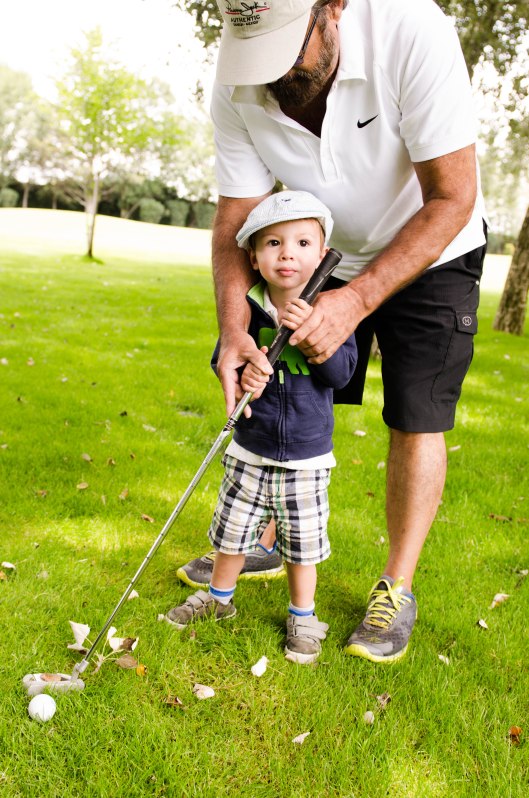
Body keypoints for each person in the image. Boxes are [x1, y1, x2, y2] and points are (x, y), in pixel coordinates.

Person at [178, 0, 488, 665]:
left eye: (288, 46)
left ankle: (395, 586)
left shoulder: (411, 30)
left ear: (334, 8)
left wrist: (357, 301)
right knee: (299, 392)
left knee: (416, 414)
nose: (275, 72)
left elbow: (452, 196)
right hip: (322, 252)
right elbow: (236, 214)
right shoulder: (237, 81)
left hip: (432, 243)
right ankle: (267, 541)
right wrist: (234, 328)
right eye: (258, 50)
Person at [166, 190, 358, 664]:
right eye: (273, 243)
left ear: (322, 254)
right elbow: (225, 358)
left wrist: (311, 336)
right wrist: (248, 371)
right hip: (250, 449)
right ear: (253, 256)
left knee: (302, 545)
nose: (287, 254)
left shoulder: (331, 310)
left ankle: (303, 615)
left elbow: (342, 375)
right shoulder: (247, 310)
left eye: (302, 243)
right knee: (231, 533)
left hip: (307, 457)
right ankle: (218, 598)